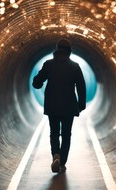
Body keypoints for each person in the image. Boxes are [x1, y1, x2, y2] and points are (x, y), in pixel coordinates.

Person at [32, 38, 86, 173]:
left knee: (54, 133)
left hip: (52, 105)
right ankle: (62, 163)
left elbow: (37, 82)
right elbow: (81, 87)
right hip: (69, 106)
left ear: (56, 49)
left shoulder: (48, 64)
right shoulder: (75, 66)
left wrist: (37, 82)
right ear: (69, 51)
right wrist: (81, 104)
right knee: (66, 134)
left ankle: (55, 154)